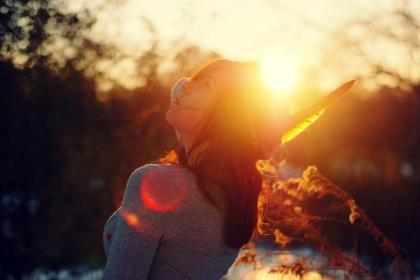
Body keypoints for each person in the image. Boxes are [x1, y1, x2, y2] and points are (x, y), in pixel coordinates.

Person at [101, 58, 354, 279]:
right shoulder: (233, 199)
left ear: (227, 117)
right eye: (195, 79)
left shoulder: (157, 183)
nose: (186, 85)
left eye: (206, 85)